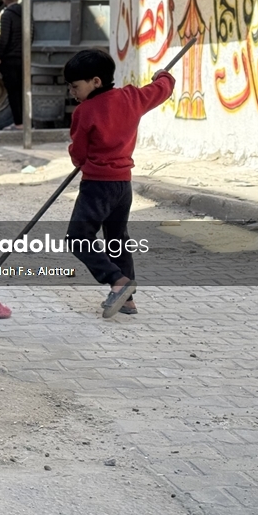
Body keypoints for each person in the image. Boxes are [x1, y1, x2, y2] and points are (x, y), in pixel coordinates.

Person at [63, 49, 175, 318]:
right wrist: (164, 76)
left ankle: (117, 281)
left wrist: (78, 158)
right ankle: (127, 301)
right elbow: (162, 88)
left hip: (96, 186)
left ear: (96, 81)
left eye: (75, 86)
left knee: (78, 239)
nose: (72, 92)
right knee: (117, 240)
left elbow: (78, 154)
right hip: (122, 186)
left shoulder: (85, 111)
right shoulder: (132, 97)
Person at [0, 0, 28, 131]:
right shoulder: (25, 13)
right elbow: (31, 33)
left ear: (5, 0)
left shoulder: (7, 15)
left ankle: (18, 123)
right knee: (22, 91)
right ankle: (25, 122)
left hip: (9, 59)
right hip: (23, 58)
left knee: (13, 93)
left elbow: (4, 38)